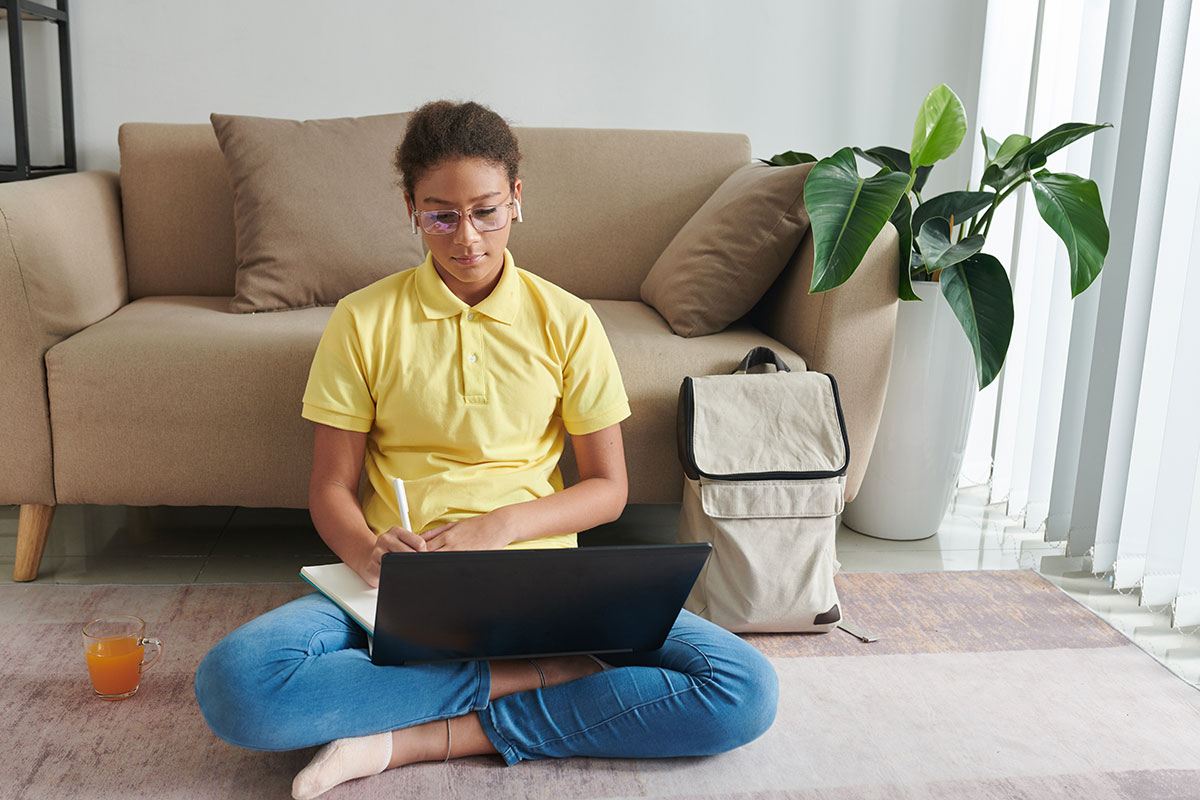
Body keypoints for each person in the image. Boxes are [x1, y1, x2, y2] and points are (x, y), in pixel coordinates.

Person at [194, 100, 778, 800]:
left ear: (517, 201)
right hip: (400, 588)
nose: (466, 237)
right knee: (237, 686)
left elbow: (607, 489)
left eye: (487, 212)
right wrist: (365, 552)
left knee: (744, 689)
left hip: (542, 591)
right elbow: (329, 488)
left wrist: (499, 527)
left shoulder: (567, 320)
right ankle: (542, 675)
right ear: (410, 207)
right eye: (441, 214)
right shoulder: (362, 320)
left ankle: (415, 737)